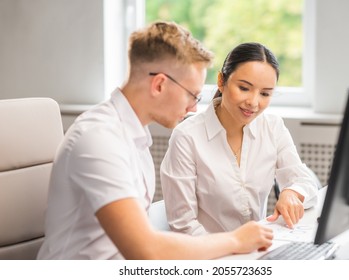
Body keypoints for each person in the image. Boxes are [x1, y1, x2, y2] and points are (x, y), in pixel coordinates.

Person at [37, 22, 273, 260]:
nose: (194, 107)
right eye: (192, 95)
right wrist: (235, 240)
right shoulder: (98, 139)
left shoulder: (133, 137)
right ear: (159, 84)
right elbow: (145, 249)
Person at [160, 42, 319, 236]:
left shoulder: (272, 126)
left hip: (256, 249)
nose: (253, 102)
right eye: (244, 88)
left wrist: (292, 193)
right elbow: (183, 226)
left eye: (265, 93)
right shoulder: (187, 136)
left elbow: (306, 181)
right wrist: (234, 247)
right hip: (210, 255)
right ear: (221, 81)